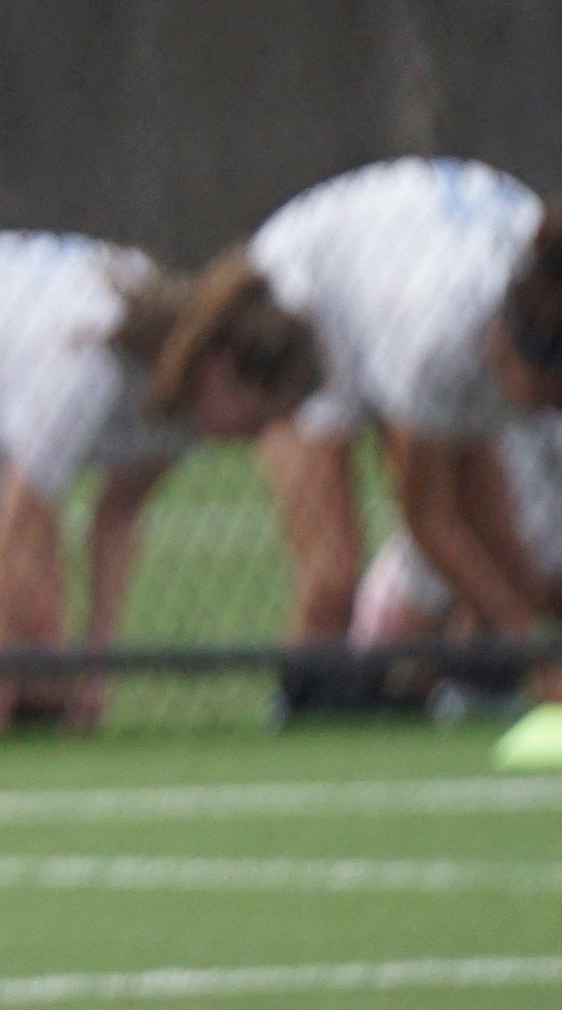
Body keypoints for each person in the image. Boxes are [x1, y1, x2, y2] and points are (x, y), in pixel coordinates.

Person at [0, 236, 328, 735]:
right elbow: (10, 547)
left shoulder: (184, 393)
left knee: (43, 673)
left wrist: (94, 671)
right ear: (221, 371)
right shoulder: (84, 368)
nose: (259, 439)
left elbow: (116, 516)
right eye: (257, 421)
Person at [214, 159, 562, 695]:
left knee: (512, 562)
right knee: (332, 573)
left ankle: (414, 693)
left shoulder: (530, 300)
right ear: (509, 350)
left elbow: (500, 540)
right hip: (305, 304)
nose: (546, 410)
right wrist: (532, 648)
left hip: (398, 280)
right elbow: (427, 516)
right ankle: (299, 713)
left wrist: (524, 630)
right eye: (545, 396)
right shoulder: (438, 340)